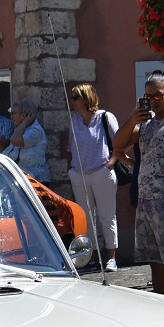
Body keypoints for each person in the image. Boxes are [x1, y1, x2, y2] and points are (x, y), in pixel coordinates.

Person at [114, 71, 164, 298]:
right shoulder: (147, 122)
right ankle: (163, 307)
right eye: (148, 97)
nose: (153, 101)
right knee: (155, 261)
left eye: (158, 96)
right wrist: (133, 119)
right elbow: (118, 143)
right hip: (146, 200)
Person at [64, 83, 119, 271]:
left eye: (75, 98)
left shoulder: (105, 117)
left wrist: (111, 163)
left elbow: (119, 141)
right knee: (86, 218)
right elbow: (70, 147)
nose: (72, 101)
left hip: (101, 170)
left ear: (86, 98)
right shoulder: (74, 121)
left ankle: (111, 257)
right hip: (79, 173)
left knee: (106, 216)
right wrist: (71, 169)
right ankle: (93, 257)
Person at [5, 97, 50, 182]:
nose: (11, 116)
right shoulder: (20, 129)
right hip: (22, 177)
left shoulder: (36, 131)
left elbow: (15, 141)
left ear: (25, 114)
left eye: (13, 113)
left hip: (35, 179)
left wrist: (24, 122)